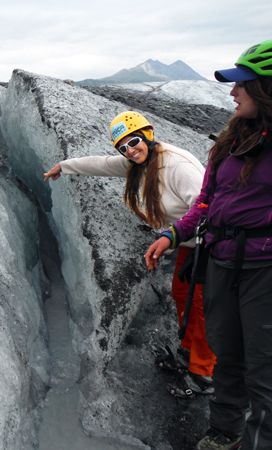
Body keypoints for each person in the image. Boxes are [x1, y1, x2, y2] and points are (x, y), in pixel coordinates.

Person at [145, 39, 272, 450]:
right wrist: (174, 234)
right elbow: (206, 201)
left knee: (265, 370)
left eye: (242, 84)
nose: (232, 93)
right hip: (218, 260)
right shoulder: (230, 144)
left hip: (263, 269)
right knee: (226, 353)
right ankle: (225, 432)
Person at [44, 110, 216, 397]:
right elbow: (102, 164)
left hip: (211, 246)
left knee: (202, 307)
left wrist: (171, 236)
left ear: (147, 135)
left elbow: (209, 209)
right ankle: (189, 355)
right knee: (183, 297)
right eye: (123, 147)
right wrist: (65, 165)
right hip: (189, 245)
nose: (130, 150)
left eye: (134, 141)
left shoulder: (177, 166)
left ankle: (205, 375)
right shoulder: (140, 163)